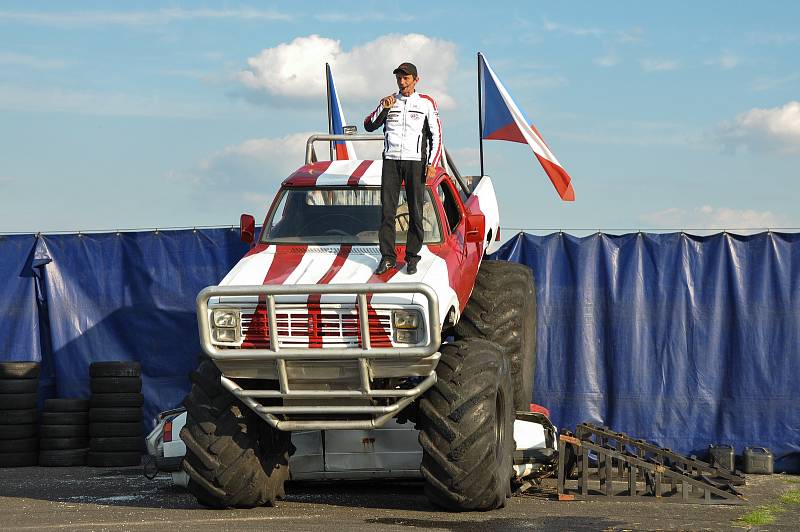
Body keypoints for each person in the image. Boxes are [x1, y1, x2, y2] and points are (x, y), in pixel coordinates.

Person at [363, 62, 442, 275]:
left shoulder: (426, 102)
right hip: (391, 161)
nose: (402, 81)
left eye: (406, 78)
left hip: (415, 161)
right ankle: (387, 257)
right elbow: (369, 125)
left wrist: (432, 164)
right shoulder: (389, 101)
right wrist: (383, 107)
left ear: (416, 80)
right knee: (387, 211)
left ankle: (412, 257)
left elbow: (436, 135)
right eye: (399, 78)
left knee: (415, 211)